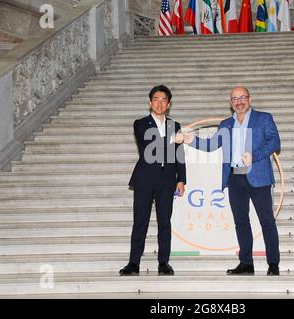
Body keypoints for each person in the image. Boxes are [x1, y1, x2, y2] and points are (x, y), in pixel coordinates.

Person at [181, 86, 281, 276]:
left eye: (242, 97)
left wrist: (255, 155)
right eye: (235, 99)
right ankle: (246, 264)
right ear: (230, 103)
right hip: (235, 178)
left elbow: (275, 142)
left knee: (267, 221)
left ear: (249, 99)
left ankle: (273, 264)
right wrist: (191, 140)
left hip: (258, 178)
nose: (239, 101)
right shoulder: (226, 124)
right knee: (241, 222)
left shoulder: (264, 118)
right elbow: (211, 145)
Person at [119, 85, 186, 276]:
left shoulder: (175, 125)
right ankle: (133, 263)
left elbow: (179, 155)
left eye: (163, 100)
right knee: (140, 221)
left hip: (167, 180)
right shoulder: (140, 124)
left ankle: (164, 263)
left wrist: (181, 179)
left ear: (169, 104)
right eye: (156, 99)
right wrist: (174, 139)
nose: (159, 103)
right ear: (150, 103)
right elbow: (151, 147)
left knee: (165, 222)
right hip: (145, 179)